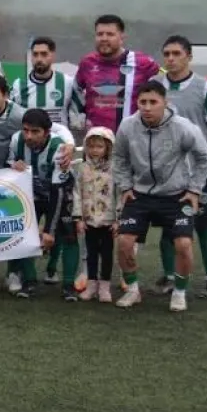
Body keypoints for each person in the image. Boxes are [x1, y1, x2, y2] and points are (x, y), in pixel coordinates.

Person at [0, 75, 75, 291]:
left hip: (9, 182)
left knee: (14, 229)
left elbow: (51, 127)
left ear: (6, 96)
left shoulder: (18, 115)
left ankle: (14, 273)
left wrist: (69, 144)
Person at [112, 81, 207, 313]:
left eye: (153, 102)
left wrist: (194, 190)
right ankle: (133, 289)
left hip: (175, 195)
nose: (147, 108)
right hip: (140, 194)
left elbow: (204, 158)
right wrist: (126, 186)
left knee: (184, 244)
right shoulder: (128, 126)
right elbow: (119, 158)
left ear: (165, 103)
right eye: (142, 102)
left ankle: (179, 292)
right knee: (125, 242)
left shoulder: (182, 127)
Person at [152, 35, 207, 298]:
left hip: (197, 167)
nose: (171, 59)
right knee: (167, 224)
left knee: (203, 223)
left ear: (189, 56)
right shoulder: (156, 87)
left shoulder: (203, 87)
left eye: (176, 53)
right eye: (167, 54)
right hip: (165, 168)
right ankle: (170, 275)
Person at [10, 36, 74, 284]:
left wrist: (68, 142)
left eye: (44, 54)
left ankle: (52, 267)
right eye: (35, 54)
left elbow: (73, 117)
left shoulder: (67, 84)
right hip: (29, 162)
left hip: (59, 156)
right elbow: (19, 125)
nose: (39, 59)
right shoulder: (18, 85)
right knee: (24, 222)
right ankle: (19, 273)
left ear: (53, 56)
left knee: (59, 219)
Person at [6, 108, 80, 300]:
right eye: (26, 130)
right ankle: (29, 281)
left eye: (35, 131)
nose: (28, 136)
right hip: (33, 194)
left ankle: (69, 285)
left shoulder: (59, 147)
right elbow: (8, 165)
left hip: (61, 192)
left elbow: (58, 191)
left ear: (47, 132)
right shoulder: (16, 140)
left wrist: (49, 230)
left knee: (68, 235)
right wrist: (13, 165)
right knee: (23, 232)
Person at [70, 14, 161, 133]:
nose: (104, 38)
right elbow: (76, 91)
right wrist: (78, 119)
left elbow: (164, 87)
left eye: (110, 34)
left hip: (132, 138)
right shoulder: (87, 62)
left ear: (122, 37)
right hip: (97, 143)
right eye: (100, 34)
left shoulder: (143, 62)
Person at [72, 127, 120, 303]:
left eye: (99, 147)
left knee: (107, 255)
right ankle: (91, 285)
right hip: (89, 220)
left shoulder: (114, 169)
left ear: (108, 147)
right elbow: (77, 192)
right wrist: (78, 217)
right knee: (90, 254)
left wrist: (118, 219)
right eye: (91, 146)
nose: (95, 150)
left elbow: (120, 194)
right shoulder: (82, 168)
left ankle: (105, 287)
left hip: (108, 220)